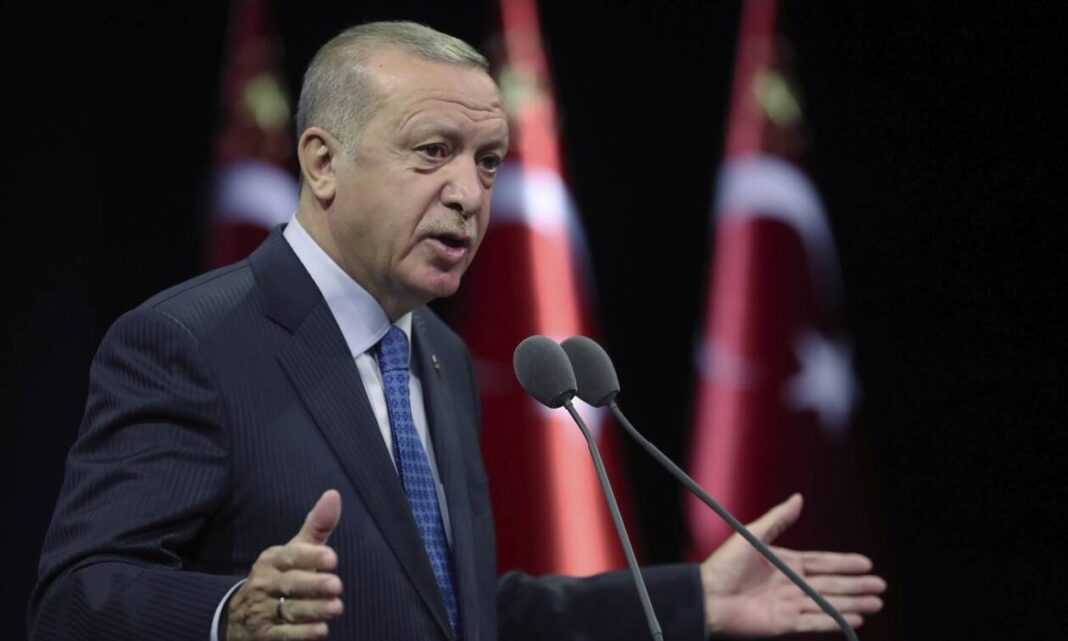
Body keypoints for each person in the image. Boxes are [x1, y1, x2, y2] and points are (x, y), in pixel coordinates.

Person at [29, 21, 885, 641]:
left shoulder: (437, 353)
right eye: (432, 151)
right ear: (322, 162)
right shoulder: (188, 342)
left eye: (488, 162)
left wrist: (690, 597)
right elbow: (74, 597)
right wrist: (230, 613)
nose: (470, 195)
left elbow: (453, 609)